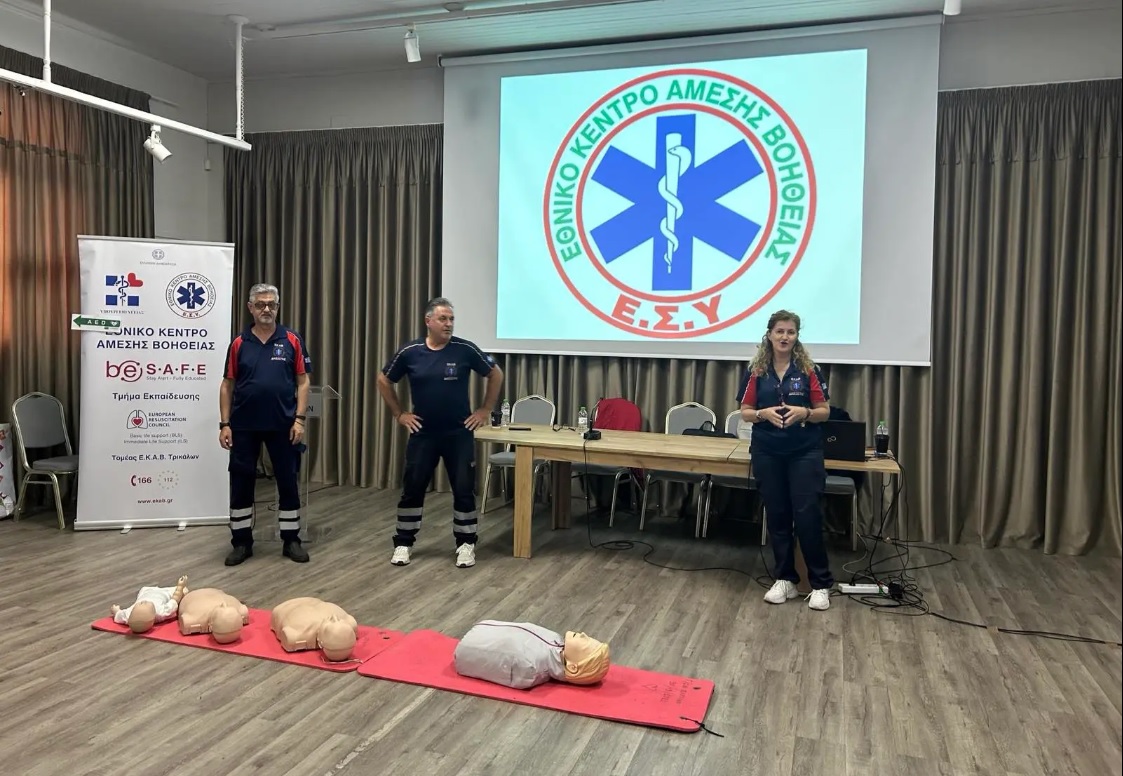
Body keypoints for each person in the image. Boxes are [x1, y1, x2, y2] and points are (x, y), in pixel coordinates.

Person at [376, 297, 503, 569]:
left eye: (451, 319)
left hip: (458, 433)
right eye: (443, 319)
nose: (448, 324)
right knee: (413, 489)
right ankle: (403, 543)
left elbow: (496, 374)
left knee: (464, 490)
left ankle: (466, 544)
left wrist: (484, 410)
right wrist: (400, 414)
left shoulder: (465, 349)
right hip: (423, 434)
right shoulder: (410, 352)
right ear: (428, 321)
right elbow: (383, 379)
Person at [740, 309, 834, 610]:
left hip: (804, 451)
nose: (785, 337)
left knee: (807, 517)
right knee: (778, 517)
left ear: (796, 337)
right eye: (779, 331)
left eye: (790, 332)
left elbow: (824, 411)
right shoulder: (756, 370)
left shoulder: (808, 369)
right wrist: (762, 413)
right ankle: (785, 579)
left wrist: (805, 412)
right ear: (769, 335)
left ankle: (820, 584)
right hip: (767, 451)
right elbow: (745, 411)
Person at [219, 283, 312, 566]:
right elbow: (227, 385)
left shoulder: (292, 340)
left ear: (278, 307)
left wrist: (299, 420)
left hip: (283, 425)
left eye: (271, 304)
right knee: (241, 483)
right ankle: (241, 542)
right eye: (260, 304)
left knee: (288, 482)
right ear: (250, 308)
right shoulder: (239, 343)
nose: (266, 309)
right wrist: (224, 424)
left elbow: (303, 382)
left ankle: (291, 539)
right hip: (244, 426)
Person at [454, 621, 611, 689]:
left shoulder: (531, 667)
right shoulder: (554, 639)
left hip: (468, 645)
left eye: (586, 643)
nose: (583, 634)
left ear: (573, 667)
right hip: (481, 630)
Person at [110, 575, 189, 633]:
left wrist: (115, 610)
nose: (144, 602)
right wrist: (180, 587)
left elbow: (119, 615)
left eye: (140, 604)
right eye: (146, 604)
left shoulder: (128, 614)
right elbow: (175, 599)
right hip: (166, 593)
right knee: (185, 591)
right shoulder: (161, 612)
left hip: (147, 591)